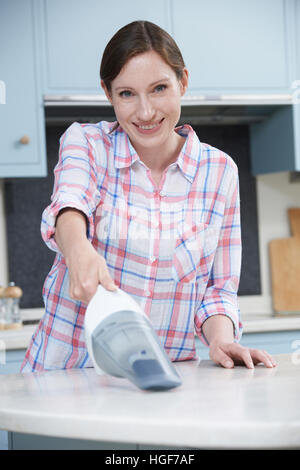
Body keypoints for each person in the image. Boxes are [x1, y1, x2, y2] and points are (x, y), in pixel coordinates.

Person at [21, 20, 276, 373]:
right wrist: (79, 249)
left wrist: (220, 340)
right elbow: (70, 202)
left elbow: (218, 291)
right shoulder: (88, 144)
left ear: (183, 81)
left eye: (159, 88)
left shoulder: (220, 173)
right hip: (67, 375)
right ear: (108, 93)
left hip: (165, 382)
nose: (145, 112)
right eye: (126, 94)